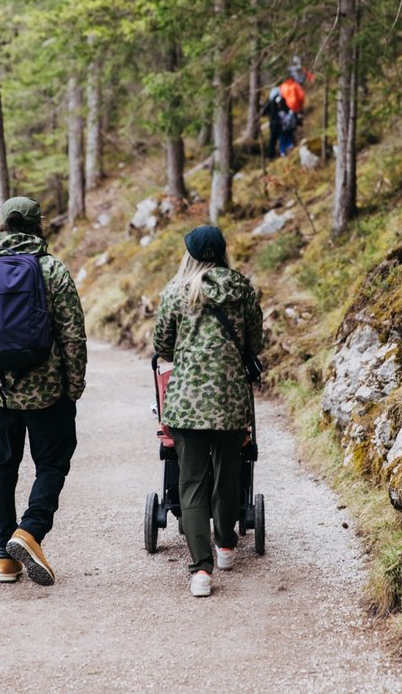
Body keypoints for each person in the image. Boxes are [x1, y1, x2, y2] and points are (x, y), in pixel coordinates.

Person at [0, 196, 87, 587]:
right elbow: (73, 336)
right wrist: (73, 386)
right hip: (48, 393)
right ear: (37, 225)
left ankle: (3, 560)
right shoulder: (52, 270)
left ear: (3, 225)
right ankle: (29, 531)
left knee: (2, 467)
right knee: (52, 464)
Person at [153, 225, 263, 598]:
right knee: (229, 474)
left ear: (190, 255)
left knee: (192, 482)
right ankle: (227, 546)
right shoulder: (242, 287)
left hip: (185, 402)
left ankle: (201, 570)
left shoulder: (176, 290)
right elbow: (256, 341)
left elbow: (162, 344)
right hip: (230, 399)